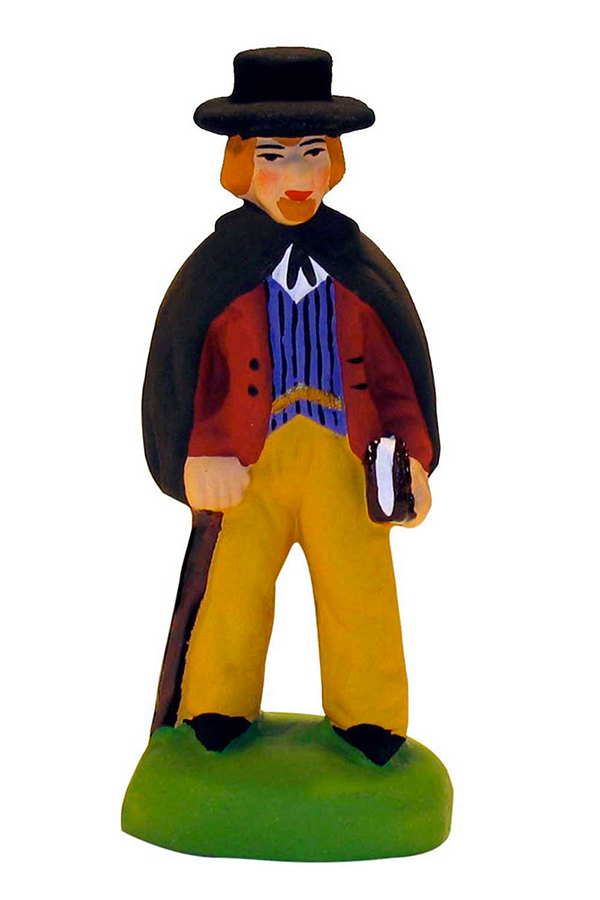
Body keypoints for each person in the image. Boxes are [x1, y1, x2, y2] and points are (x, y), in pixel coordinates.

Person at [142, 47, 439, 766]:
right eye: (275, 157)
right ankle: (215, 706)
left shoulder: (356, 264)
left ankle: (370, 720)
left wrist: (413, 459)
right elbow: (178, 372)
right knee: (233, 586)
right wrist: (192, 460)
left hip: (344, 453)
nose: (298, 177)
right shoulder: (216, 270)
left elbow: (398, 372)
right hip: (249, 461)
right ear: (240, 165)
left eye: (312, 153)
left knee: (360, 589)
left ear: (334, 162)